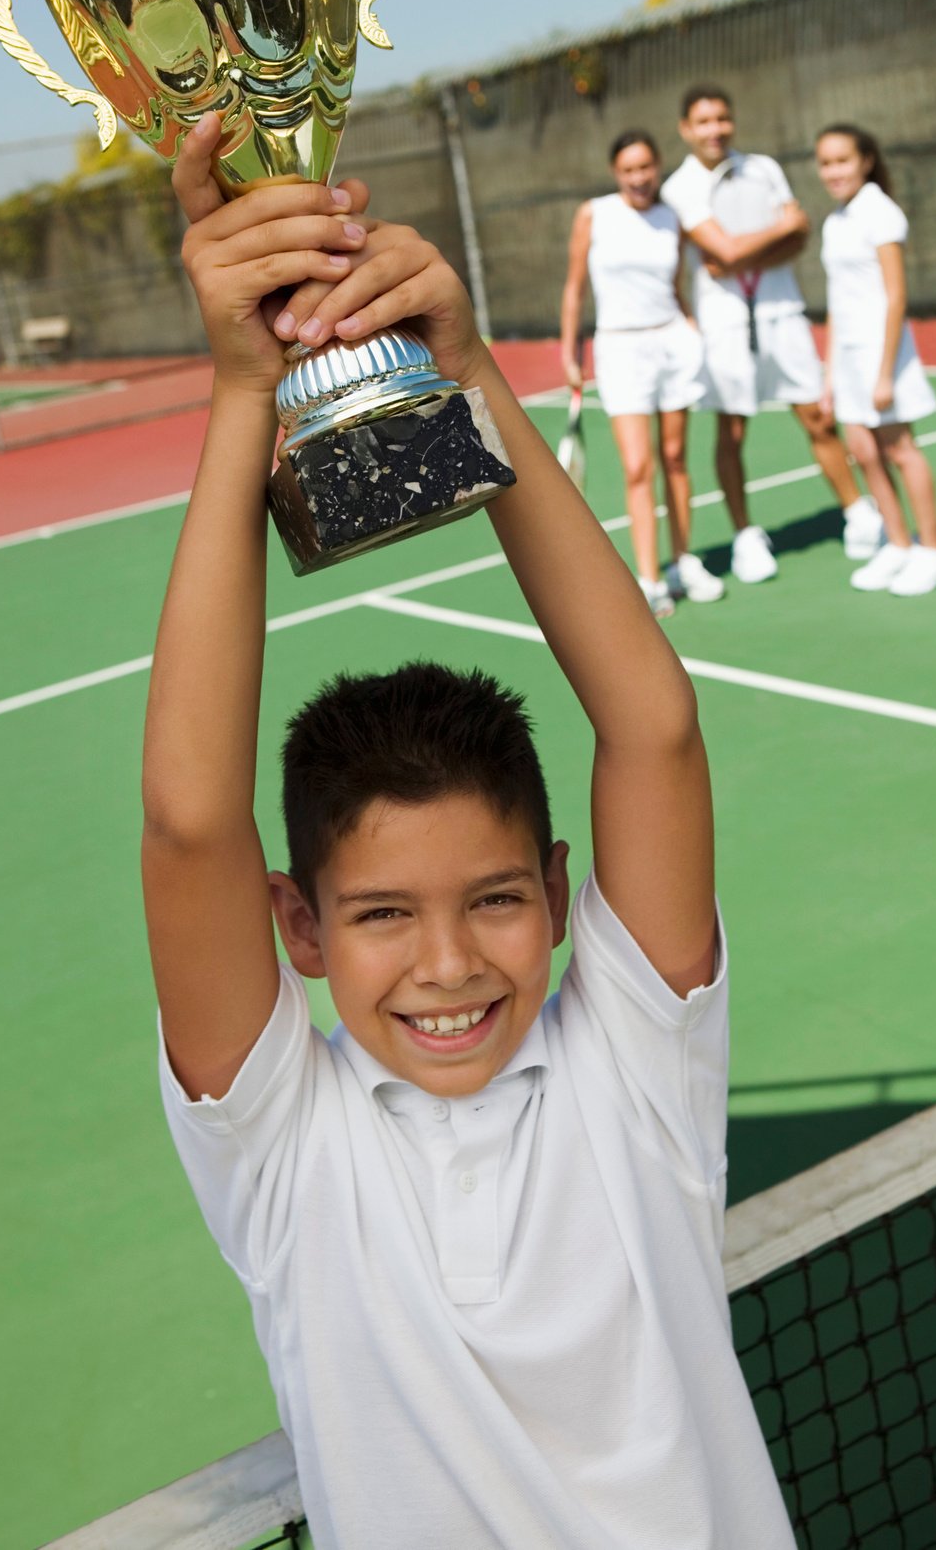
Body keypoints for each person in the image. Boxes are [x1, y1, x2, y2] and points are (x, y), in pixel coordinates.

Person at [141, 110, 795, 1550]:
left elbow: (652, 729)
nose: (448, 963)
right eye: (380, 915)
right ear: (298, 929)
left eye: (495, 898)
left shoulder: (635, 1072)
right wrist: (244, 389)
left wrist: (467, 372)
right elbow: (192, 825)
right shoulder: (288, 1153)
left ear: (563, 898)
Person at [661, 84, 883, 582]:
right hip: (724, 324)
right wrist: (766, 238)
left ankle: (859, 514)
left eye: (722, 118)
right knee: (732, 431)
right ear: (686, 129)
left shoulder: (764, 168)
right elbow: (727, 249)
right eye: (703, 121)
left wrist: (745, 252)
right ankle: (746, 536)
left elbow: (796, 236)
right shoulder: (680, 188)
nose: (715, 129)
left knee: (818, 418)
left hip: (783, 312)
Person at [559, 128, 723, 615]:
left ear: (658, 168)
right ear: (617, 173)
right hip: (621, 350)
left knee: (674, 457)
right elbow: (574, 289)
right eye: (629, 170)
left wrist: (691, 331)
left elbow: (676, 286)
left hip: (672, 343)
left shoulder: (672, 217)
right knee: (638, 467)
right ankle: (650, 579)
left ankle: (683, 562)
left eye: (646, 168)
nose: (639, 178)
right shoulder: (594, 214)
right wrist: (570, 352)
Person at [816, 124, 936, 594]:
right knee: (864, 452)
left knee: (899, 449)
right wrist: (830, 375)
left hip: (885, 356)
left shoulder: (880, 212)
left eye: (842, 160)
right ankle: (898, 545)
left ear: (865, 161)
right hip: (850, 360)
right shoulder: (835, 221)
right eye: (825, 163)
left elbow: (895, 297)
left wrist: (883, 373)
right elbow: (837, 303)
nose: (833, 171)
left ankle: (935, 551)